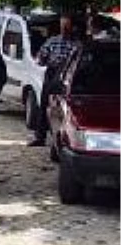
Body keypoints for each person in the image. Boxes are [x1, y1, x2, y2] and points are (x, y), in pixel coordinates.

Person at [31, 12, 81, 146]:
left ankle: (61, 138)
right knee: (44, 104)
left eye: (67, 25)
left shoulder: (77, 44)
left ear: (72, 27)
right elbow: (40, 58)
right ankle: (39, 137)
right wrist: (44, 59)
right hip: (52, 73)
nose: (64, 28)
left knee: (62, 107)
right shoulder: (53, 41)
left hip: (69, 75)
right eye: (62, 25)